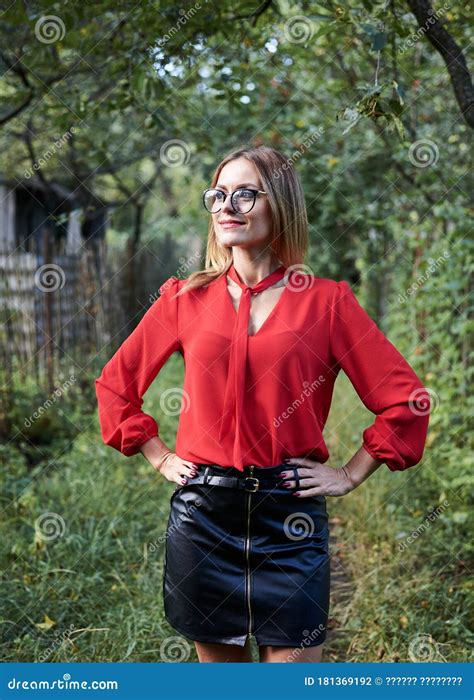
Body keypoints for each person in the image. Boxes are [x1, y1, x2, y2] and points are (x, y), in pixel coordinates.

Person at [95, 144, 431, 663]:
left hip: (290, 522)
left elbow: (406, 400)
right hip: (204, 519)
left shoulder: (327, 302)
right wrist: (159, 454)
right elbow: (116, 385)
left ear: (280, 205)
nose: (227, 205)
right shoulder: (184, 299)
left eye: (246, 193)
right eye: (219, 194)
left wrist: (349, 474)